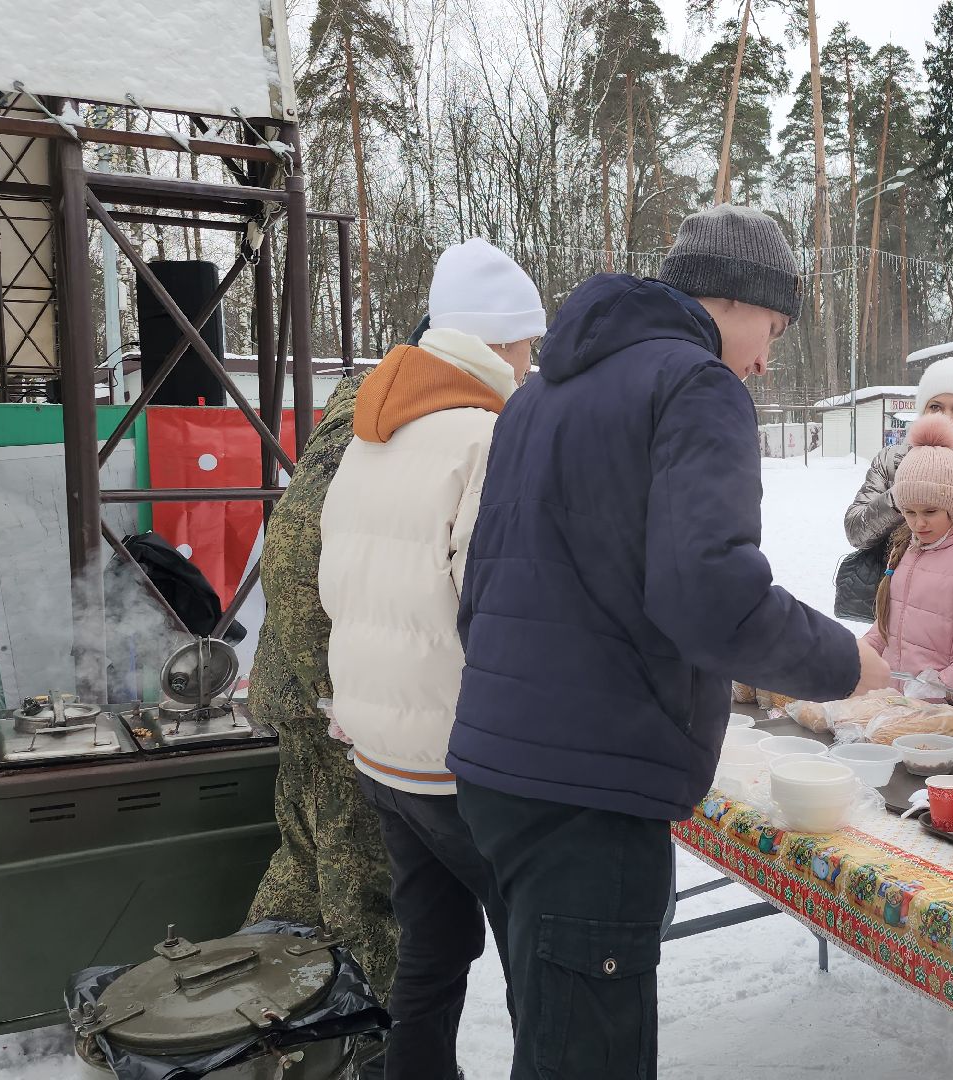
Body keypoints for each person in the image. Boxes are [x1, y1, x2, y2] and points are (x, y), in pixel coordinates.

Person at [445, 205, 889, 1079]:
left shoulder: (538, 394)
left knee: (556, 1037)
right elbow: (710, 598)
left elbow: (482, 583)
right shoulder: (694, 384)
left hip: (502, 773)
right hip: (590, 788)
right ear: (734, 299)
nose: (765, 359)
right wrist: (846, 663)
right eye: (772, 327)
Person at [319, 240, 541, 1078]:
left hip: (381, 745)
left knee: (433, 946)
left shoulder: (376, 430)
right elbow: (498, 611)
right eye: (526, 347)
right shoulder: (485, 437)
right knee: (538, 963)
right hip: (457, 758)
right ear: (498, 344)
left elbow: (334, 579)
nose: (530, 367)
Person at [244, 373, 398, 1002]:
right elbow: (289, 561)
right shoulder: (361, 441)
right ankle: (367, 1047)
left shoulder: (348, 432)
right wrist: (335, 691)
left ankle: (256, 1012)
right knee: (359, 888)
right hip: (329, 706)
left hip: (307, 695)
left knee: (305, 869)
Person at [862, 414, 953, 694]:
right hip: (903, 704)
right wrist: (862, 651)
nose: (919, 523)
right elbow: (892, 621)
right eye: (909, 513)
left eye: (930, 512)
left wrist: (941, 685)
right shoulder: (909, 547)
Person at [845, 355, 953, 553]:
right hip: (899, 580)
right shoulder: (890, 461)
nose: (946, 417)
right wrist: (903, 494)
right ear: (922, 410)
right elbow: (855, 533)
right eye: (935, 407)